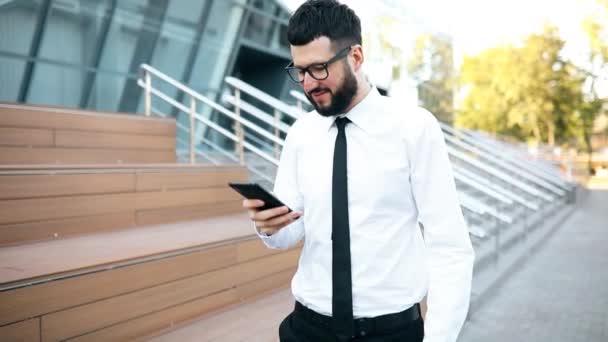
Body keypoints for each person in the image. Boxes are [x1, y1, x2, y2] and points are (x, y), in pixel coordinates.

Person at [243, 1, 475, 341]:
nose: (308, 84)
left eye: (319, 68)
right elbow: (290, 232)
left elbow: (450, 246)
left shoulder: (414, 128)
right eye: (300, 71)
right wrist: (269, 227)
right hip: (306, 329)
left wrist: (439, 336)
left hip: (389, 332)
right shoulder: (301, 135)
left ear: (356, 57)